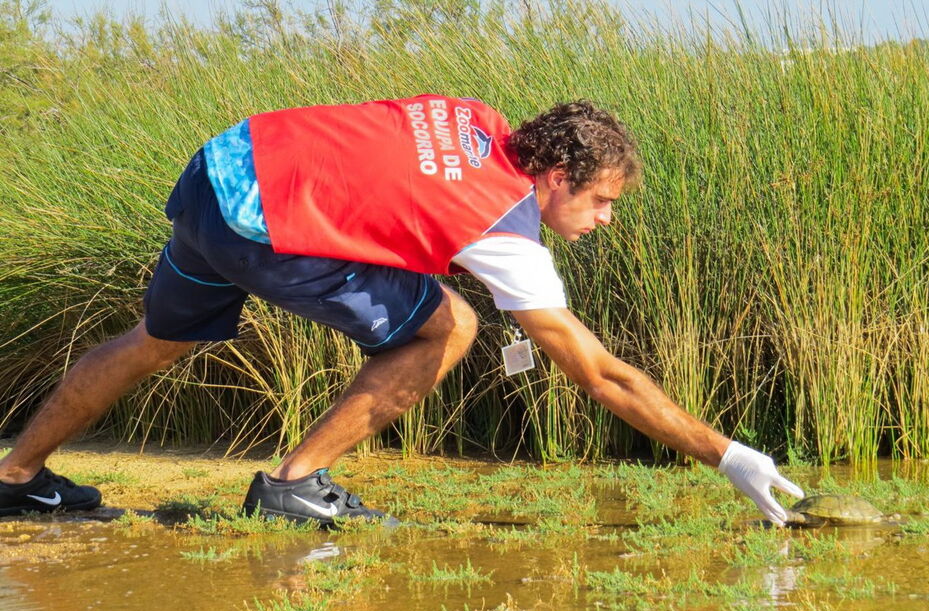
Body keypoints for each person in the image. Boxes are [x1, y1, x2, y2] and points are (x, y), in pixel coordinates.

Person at [0, 95, 804, 525]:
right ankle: (293, 483)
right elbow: (601, 377)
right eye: (601, 200)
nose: (606, 218)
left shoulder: (475, 118)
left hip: (219, 170)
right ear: (556, 176)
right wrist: (728, 455)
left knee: (154, 339)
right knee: (451, 325)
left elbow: (395, 179)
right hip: (261, 227)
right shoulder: (506, 230)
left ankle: (15, 476)